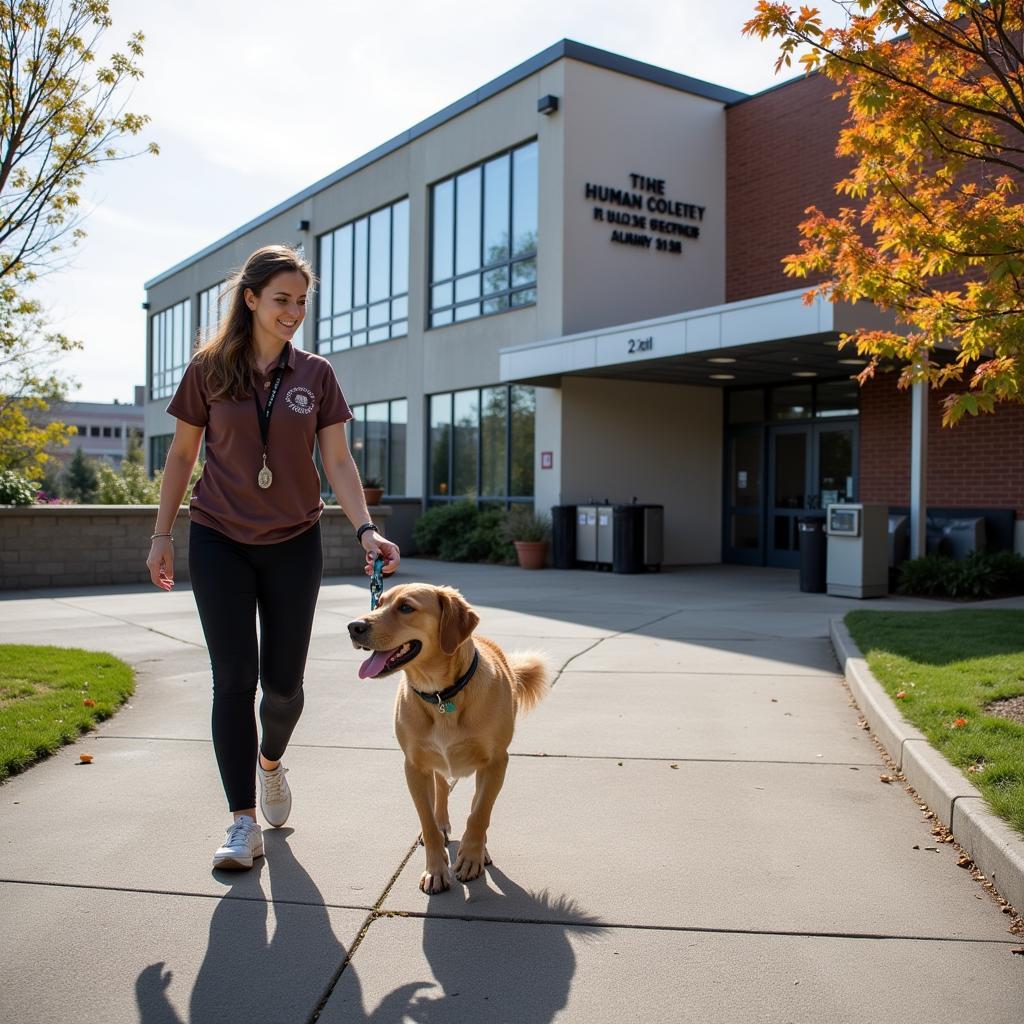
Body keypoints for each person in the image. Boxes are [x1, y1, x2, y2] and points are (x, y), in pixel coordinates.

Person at [146, 244, 399, 870]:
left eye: (302, 302)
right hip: (217, 537)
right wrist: (161, 534)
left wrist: (366, 530)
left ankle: (271, 764)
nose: (293, 312)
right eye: (282, 299)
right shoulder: (208, 370)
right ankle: (241, 822)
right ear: (251, 298)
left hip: (294, 542)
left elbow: (336, 461)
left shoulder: (316, 375)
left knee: (284, 688)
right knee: (233, 680)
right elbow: (181, 457)